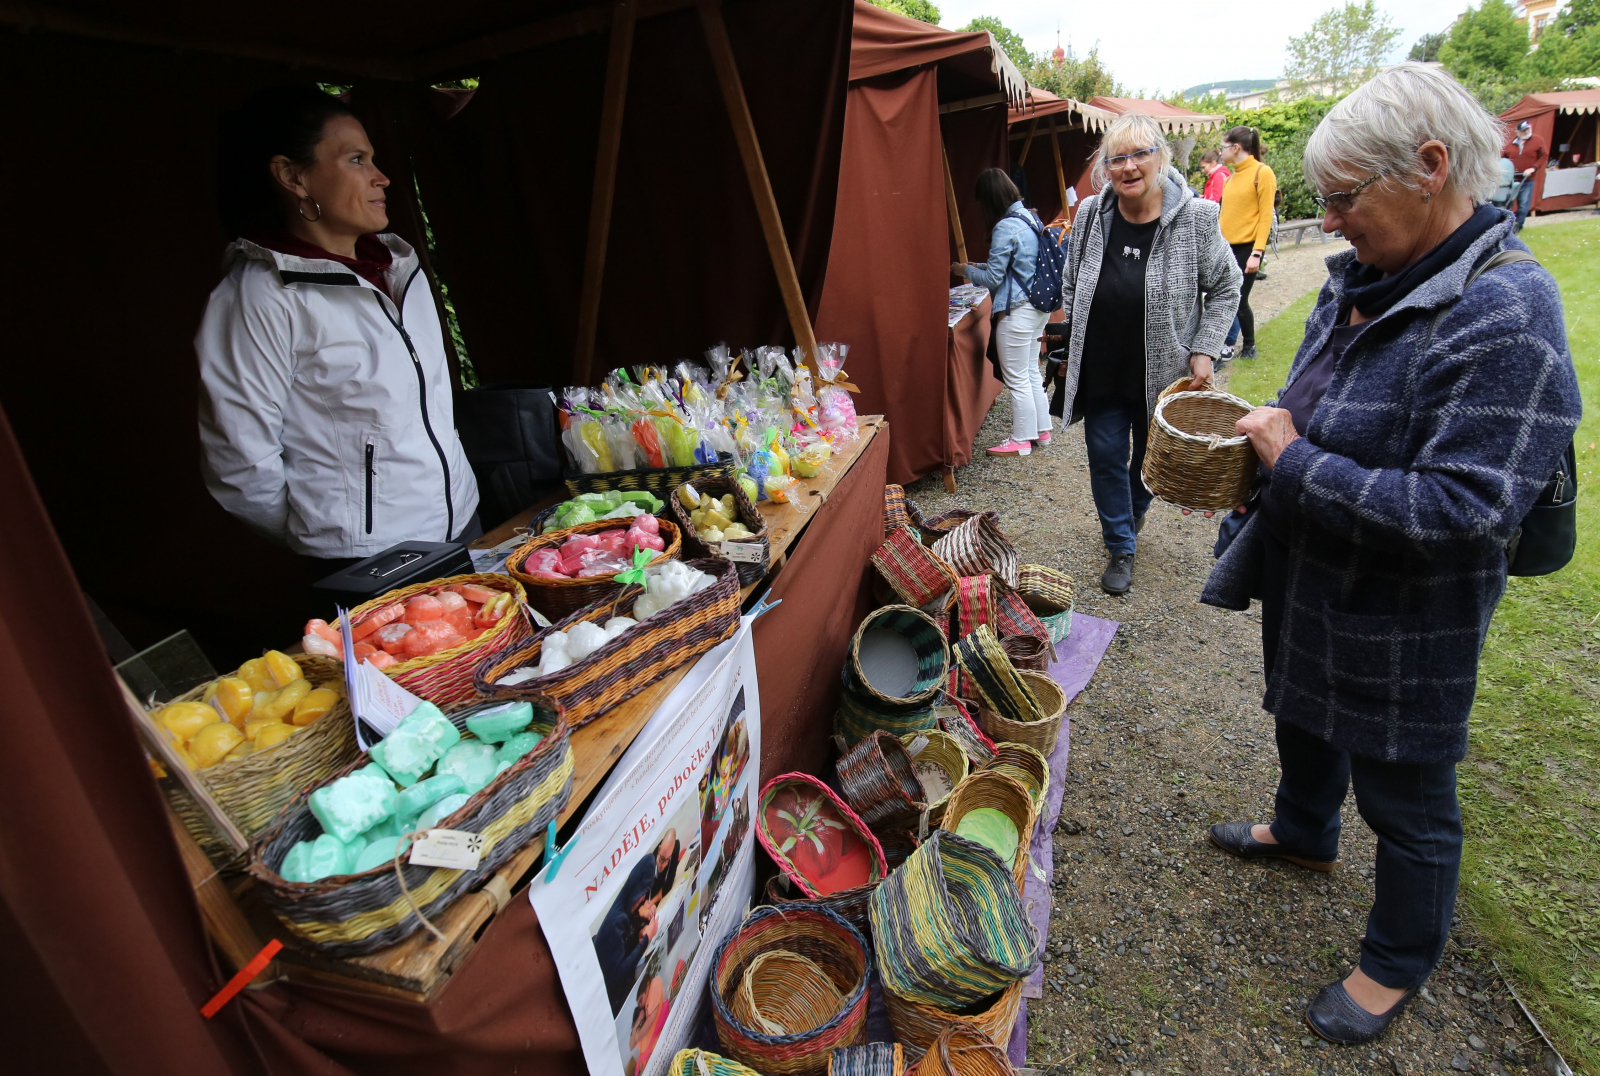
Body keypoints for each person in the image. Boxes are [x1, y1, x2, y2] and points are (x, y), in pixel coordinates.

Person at [1202, 64, 1580, 1047]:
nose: (1328, 222)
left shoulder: (1507, 313)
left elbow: (1462, 508)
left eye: (1342, 198)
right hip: (1313, 570)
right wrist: (1259, 460)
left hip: (1411, 614)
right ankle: (1303, 828)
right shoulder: (1363, 279)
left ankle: (1396, 959)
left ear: (1429, 166)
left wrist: (1293, 462)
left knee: (1406, 791)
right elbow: (1304, 402)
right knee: (1297, 706)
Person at [196, 87, 481, 572]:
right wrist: (333, 529)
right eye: (356, 159)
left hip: (463, 517)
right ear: (293, 176)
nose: (382, 177)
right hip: (370, 558)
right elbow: (240, 462)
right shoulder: (262, 295)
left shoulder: (397, 268)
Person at [1055, 114, 1242, 595]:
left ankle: (1134, 511)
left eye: (1140, 154)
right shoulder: (1094, 214)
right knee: (1104, 454)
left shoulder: (1196, 217)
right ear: (1106, 167)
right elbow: (1073, 280)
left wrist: (1204, 350)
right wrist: (1073, 335)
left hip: (1163, 372)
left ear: (1160, 157)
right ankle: (1120, 544)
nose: (1129, 167)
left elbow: (1226, 286)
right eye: (1117, 158)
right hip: (1102, 367)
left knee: (1149, 460)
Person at [953, 169, 1053, 457]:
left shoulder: (1005, 226)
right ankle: (1041, 431)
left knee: (1016, 377)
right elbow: (1012, 270)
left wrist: (966, 271)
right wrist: (976, 267)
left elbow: (995, 279)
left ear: (989, 200)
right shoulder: (1031, 217)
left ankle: (1021, 439)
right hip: (1037, 307)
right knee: (1031, 371)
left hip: (1017, 309)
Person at [1218, 126, 1277, 360]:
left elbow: (1266, 216)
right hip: (1225, 249)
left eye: (1222, 147)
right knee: (1224, 299)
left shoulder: (1262, 173)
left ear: (1235, 147)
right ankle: (1224, 347)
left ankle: (1249, 346)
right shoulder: (1230, 178)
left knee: (1240, 299)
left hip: (1247, 248)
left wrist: (1257, 252)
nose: (1220, 152)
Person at [1199, 149, 1241, 362]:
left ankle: (1229, 341)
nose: (1204, 171)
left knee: (1229, 290)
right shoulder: (1222, 176)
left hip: (1222, 236)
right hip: (1223, 235)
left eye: (1205, 167)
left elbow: (1213, 204)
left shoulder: (1220, 176)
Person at [1501, 118, 1547, 231]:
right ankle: (1506, 225)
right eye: (1523, 130)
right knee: (1507, 202)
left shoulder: (1537, 140)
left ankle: (1518, 226)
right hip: (1511, 180)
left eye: (1528, 129)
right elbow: (1503, 158)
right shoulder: (1511, 144)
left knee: (1523, 204)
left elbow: (1544, 156)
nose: (1526, 132)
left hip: (1527, 178)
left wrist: (1533, 168)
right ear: (1517, 132)